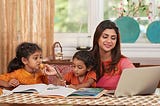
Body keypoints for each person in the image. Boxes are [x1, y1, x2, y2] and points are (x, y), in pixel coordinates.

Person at [90, 20, 135, 90]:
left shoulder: (123, 62)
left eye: (113, 38)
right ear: (97, 38)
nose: (109, 41)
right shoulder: (87, 59)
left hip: (115, 100)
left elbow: (135, 80)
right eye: (105, 37)